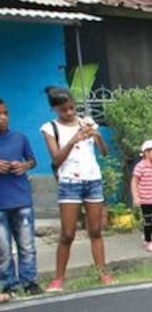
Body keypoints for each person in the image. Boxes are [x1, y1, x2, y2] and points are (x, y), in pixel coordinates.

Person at [40, 87, 112, 293]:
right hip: (69, 182)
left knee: (96, 231)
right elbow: (56, 160)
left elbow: (104, 153)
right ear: (55, 109)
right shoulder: (49, 128)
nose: (70, 113)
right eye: (64, 110)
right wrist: (72, 140)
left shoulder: (87, 122)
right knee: (67, 234)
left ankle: (103, 273)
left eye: (72, 108)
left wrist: (96, 135)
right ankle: (58, 279)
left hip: (92, 180)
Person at [0, 98, 42, 299]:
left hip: (21, 199)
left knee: (27, 246)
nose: (3, 118)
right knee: (3, 249)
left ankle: (30, 281)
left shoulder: (20, 138)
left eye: (5, 113)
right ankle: (8, 284)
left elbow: (32, 161)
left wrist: (23, 166)